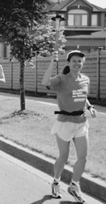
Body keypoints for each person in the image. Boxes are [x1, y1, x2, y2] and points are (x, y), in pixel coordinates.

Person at [42, 50, 97, 203]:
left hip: (81, 122)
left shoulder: (85, 79)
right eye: (74, 61)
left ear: (82, 63)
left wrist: (90, 107)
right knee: (63, 157)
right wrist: (52, 63)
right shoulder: (61, 79)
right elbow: (45, 83)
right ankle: (56, 181)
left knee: (83, 158)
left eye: (80, 61)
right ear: (68, 63)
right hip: (64, 122)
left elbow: (83, 97)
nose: (77, 63)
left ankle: (74, 185)